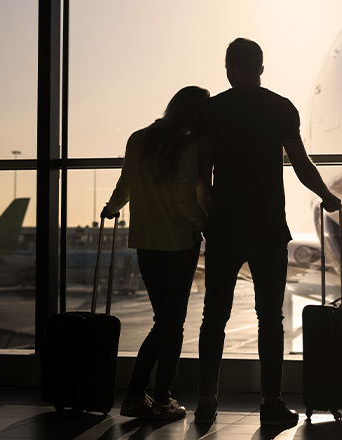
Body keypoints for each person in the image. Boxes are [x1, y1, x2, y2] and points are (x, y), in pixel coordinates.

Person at [194, 37, 341, 426]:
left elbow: (202, 173)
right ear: (261, 68)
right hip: (267, 229)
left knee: (213, 318)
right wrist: (326, 196)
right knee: (269, 320)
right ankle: (270, 403)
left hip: (224, 227)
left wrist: (210, 213)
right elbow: (302, 164)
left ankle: (207, 400)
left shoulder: (211, 111)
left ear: (229, 68)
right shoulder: (280, 108)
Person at [100, 86, 209, 420]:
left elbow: (126, 183)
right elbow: (184, 196)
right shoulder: (190, 145)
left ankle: (136, 396)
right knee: (171, 324)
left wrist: (111, 207)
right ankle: (161, 399)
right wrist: (207, 227)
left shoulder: (137, 140)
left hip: (145, 244)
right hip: (179, 243)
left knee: (163, 322)